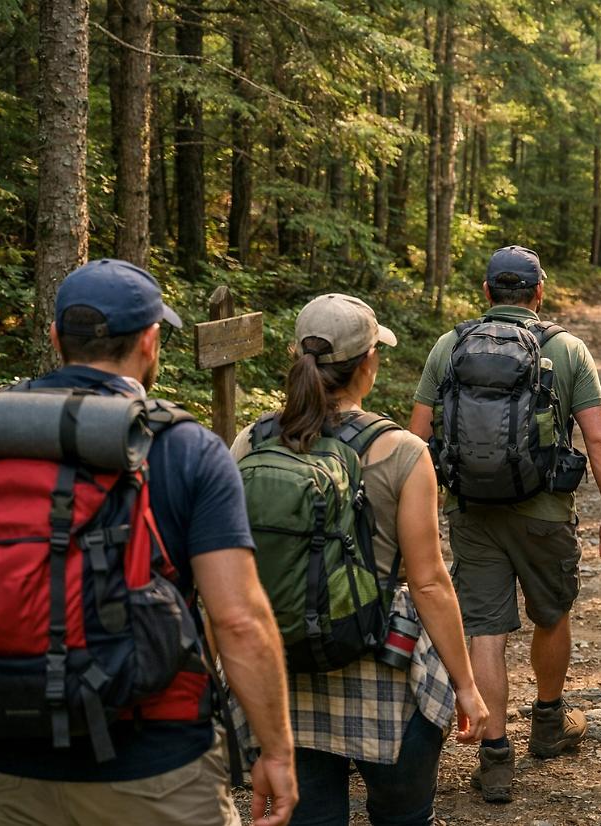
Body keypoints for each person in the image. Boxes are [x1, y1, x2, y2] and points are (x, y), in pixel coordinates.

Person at [0, 260, 297, 826]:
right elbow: (238, 619)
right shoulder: (185, 447)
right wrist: (277, 751)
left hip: (0, 755)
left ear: (54, 337)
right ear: (150, 340)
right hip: (152, 761)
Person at [230, 294, 489, 826]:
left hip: (286, 676)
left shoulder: (250, 443)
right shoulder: (402, 451)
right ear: (367, 362)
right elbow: (430, 583)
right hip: (385, 672)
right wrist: (465, 685)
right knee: (403, 815)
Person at [409, 245, 601, 803]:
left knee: (485, 626)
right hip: (545, 512)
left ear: (486, 293)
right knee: (551, 613)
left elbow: (418, 439)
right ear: (539, 292)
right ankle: (549, 724)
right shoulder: (566, 348)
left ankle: (496, 755)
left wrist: (423, 516)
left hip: (471, 512)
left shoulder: (449, 346)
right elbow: (599, 438)